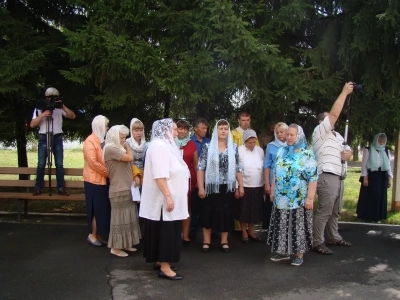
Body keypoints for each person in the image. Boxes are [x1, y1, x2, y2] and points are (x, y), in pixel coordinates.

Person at [140, 118, 190, 281]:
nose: (176, 132)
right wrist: (168, 197)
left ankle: (161, 260)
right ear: (165, 130)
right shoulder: (159, 147)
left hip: (168, 199)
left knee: (163, 231)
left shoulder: (166, 145)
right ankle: (165, 267)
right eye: (174, 129)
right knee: (167, 233)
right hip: (164, 201)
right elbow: (160, 175)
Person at [312, 82, 354, 255]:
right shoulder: (320, 131)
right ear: (322, 121)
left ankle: (333, 236)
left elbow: (348, 149)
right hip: (327, 174)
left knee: (335, 211)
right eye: (329, 118)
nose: (333, 120)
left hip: (340, 175)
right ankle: (317, 241)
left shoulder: (337, 136)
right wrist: (344, 92)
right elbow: (336, 113)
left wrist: (348, 154)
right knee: (325, 210)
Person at [267, 124, 317, 266]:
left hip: (298, 198)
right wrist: (272, 190)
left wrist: (310, 198)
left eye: (292, 135)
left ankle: (298, 254)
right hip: (281, 197)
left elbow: (313, 178)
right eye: (287, 134)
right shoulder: (282, 151)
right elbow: (276, 173)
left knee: (297, 225)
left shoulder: (307, 154)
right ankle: (282, 251)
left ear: (299, 136)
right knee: (282, 224)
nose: (288, 137)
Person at [197, 119, 244, 253]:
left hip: (227, 186)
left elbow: (237, 168)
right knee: (208, 212)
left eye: (225, 128)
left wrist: (240, 185)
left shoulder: (233, 147)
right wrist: (201, 187)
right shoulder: (207, 147)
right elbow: (200, 168)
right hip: (211, 186)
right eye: (220, 128)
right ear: (216, 131)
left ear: (228, 131)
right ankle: (206, 241)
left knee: (225, 213)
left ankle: (224, 241)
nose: (223, 131)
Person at [103, 125, 141, 257]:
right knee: (119, 219)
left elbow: (130, 165)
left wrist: (135, 175)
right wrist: (127, 146)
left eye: (125, 137)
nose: (124, 140)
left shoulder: (119, 148)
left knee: (128, 217)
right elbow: (131, 158)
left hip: (127, 187)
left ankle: (125, 244)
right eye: (121, 137)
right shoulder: (110, 148)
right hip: (118, 189)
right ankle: (116, 247)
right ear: (114, 137)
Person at [30, 87, 76, 196]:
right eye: (49, 98)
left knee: (59, 164)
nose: (51, 100)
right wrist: (43, 115)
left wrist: (62, 106)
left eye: (54, 98)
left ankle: (61, 188)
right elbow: (32, 124)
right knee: (41, 163)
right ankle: (38, 188)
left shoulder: (59, 108)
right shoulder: (39, 108)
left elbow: (72, 116)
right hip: (43, 136)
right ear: (45, 98)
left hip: (57, 136)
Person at [83, 115, 111, 247]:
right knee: (94, 209)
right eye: (105, 125)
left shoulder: (100, 141)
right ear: (99, 126)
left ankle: (99, 234)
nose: (107, 128)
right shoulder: (90, 141)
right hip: (93, 181)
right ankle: (92, 235)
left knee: (102, 209)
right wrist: (109, 173)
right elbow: (93, 163)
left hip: (102, 180)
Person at [231, 111, 259, 231]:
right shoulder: (233, 134)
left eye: (247, 120)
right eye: (243, 120)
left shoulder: (252, 134)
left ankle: (250, 230)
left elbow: (257, 151)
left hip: (254, 181)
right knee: (240, 205)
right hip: (239, 172)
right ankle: (239, 229)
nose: (245, 122)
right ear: (238, 120)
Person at [235, 129, 264, 243]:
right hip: (244, 185)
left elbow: (262, 169)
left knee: (253, 211)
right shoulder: (239, 151)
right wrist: (238, 186)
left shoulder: (260, 151)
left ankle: (252, 232)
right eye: (249, 142)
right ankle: (244, 232)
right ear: (245, 141)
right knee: (244, 211)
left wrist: (263, 185)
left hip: (257, 185)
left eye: (253, 142)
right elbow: (236, 170)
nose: (252, 144)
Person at [356, 133, 393, 222]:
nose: (381, 142)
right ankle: (369, 217)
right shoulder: (368, 150)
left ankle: (379, 217)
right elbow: (364, 165)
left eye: (382, 141)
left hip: (382, 176)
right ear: (376, 140)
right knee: (371, 197)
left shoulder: (386, 151)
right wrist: (365, 177)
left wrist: (390, 178)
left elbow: (389, 165)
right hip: (372, 176)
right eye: (379, 140)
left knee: (380, 196)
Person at [175, 119, 198, 244]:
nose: (183, 131)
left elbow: (196, 164)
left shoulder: (191, 144)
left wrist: (199, 182)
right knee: (174, 206)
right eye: (180, 128)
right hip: (173, 180)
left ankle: (186, 235)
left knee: (186, 206)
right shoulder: (170, 142)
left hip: (188, 180)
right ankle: (174, 234)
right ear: (176, 129)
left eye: (185, 129)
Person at [263, 122, 288, 231]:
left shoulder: (291, 146)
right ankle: (271, 230)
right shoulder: (271, 146)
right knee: (272, 206)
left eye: (282, 132)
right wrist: (267, 183)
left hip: (287, 181)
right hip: (273, 181)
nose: (279, 134)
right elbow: (267, 165)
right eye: (277, 132)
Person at [126, 118, 148, 233]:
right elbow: (127, 162)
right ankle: (131, 232)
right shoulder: (127, 143)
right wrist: (135, 175)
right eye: (136, 130)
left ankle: (141, 232)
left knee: (143, 206)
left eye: (140, 130)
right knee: (132, 205)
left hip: (144, 178)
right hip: (131, 177)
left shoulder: (146, 144)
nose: (139, 133)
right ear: (131, 131)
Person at [189, 118, 211, 238]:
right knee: (194, 205)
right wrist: (198, 180)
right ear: (195, 129)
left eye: (206, 128)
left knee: (208, 205)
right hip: (193, 178)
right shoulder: (189, 142)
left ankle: (212, 231)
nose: (205, 130)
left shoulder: (209, 141)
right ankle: (192, 230)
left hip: (208, 178)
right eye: (202, 128)